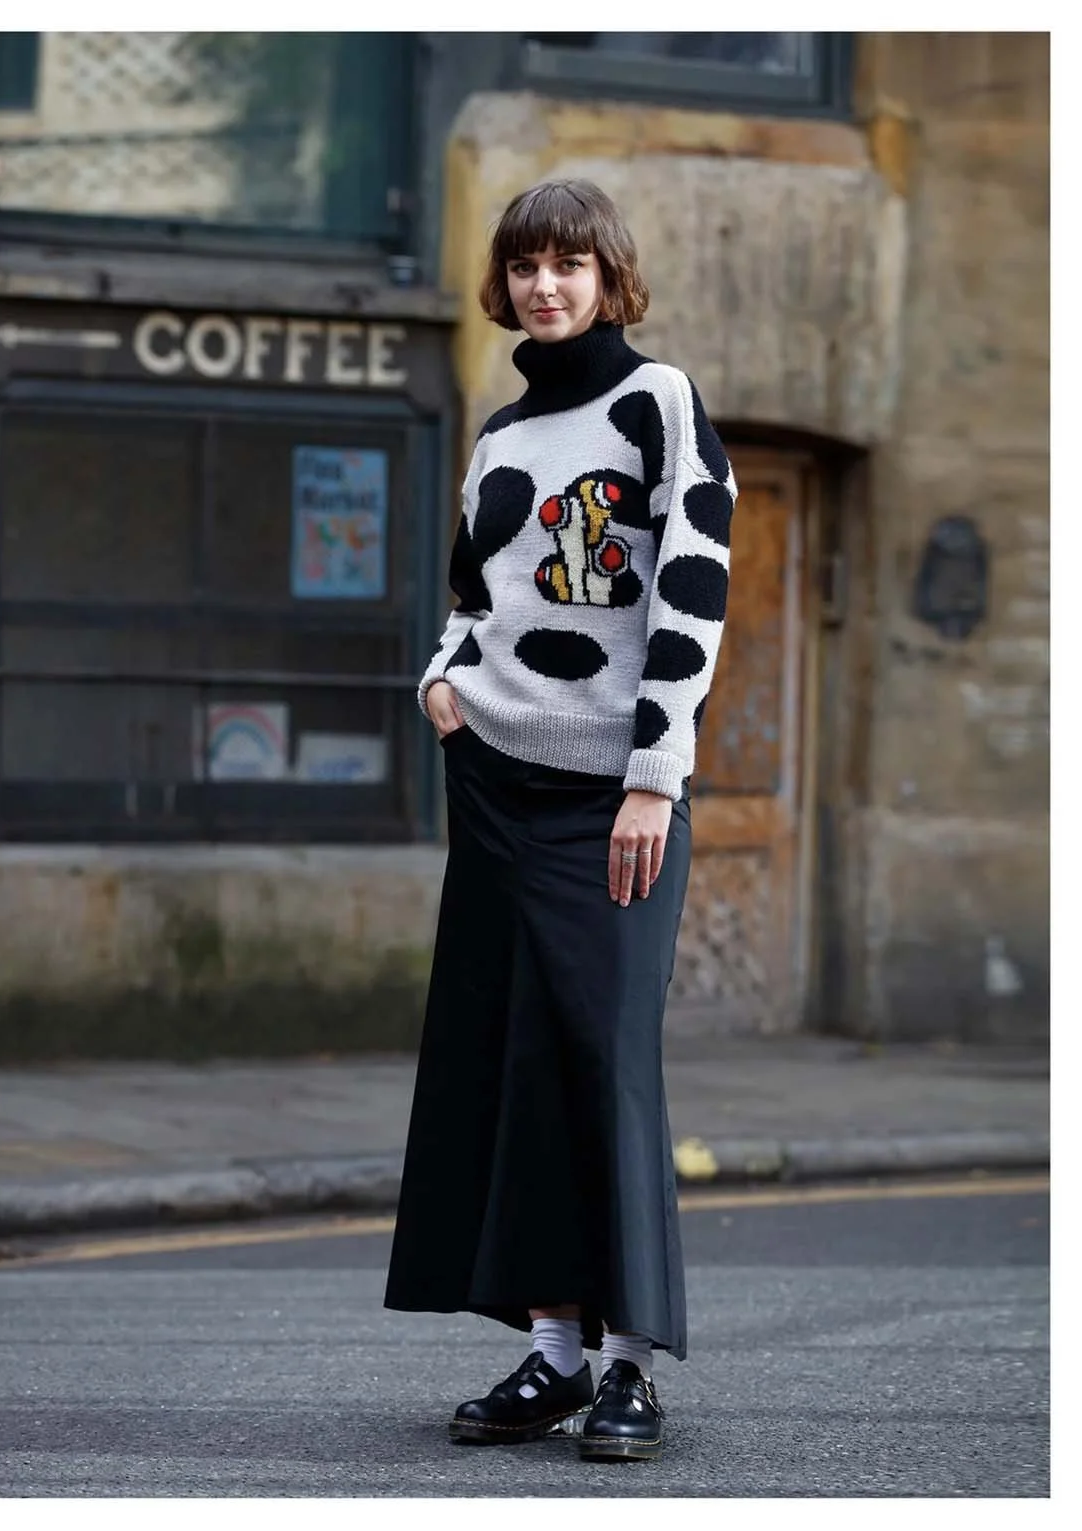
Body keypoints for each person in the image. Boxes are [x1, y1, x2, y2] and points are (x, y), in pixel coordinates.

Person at [383, 179, 734, 1464]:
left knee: (605, 1066)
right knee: (511, 1069)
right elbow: (474, 594)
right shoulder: (497, 438)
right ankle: (550, 1354)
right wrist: (437, 677)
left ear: (608, 276)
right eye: (524, 264)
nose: (544, 285)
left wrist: (655, 774)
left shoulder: (658, 404)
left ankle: (631, 1366)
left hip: (609, 796)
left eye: (568, 263)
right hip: (491, 778)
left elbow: (690, 590)